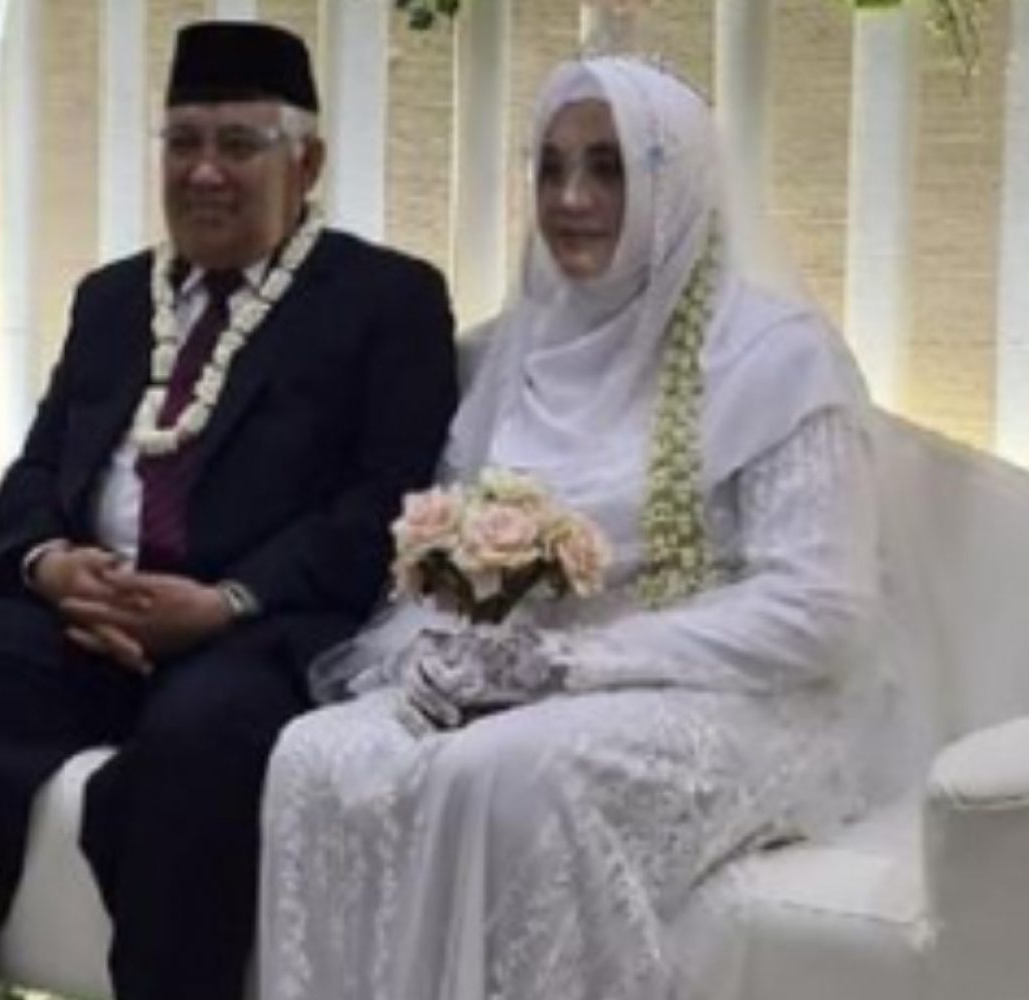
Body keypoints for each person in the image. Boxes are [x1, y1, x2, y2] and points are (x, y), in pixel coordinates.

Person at [0, 21, 457, 1000]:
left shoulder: (387, 299)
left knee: (196, 750)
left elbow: (384, 504)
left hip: (252, 630)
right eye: (183, 142)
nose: (204, 172)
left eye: (238, 144)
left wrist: (225, 602)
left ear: (307, 164)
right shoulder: (113, 298)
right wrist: (48, 563)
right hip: (86, 618)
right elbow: (38, 468)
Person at [257, 56, 882, 1000]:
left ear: (677, 182)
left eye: (608, 168)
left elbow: (819, 609)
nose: (571, 198)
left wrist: (576, 664)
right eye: (550, 168)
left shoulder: (773, 356)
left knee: (508, 773)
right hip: (517, 677)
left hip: (732, 692)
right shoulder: (520, 349)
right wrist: (434, 653)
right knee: (316, 755)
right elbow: (444, 545)